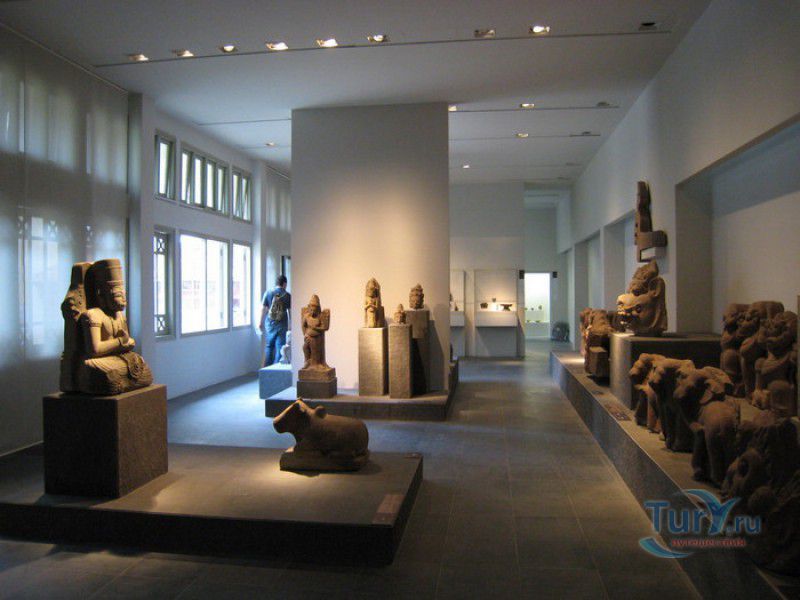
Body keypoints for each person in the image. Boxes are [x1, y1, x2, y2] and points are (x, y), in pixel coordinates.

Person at [259, 275, 291, 367]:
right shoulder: (287, 295)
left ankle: (266, 369)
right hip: (282, 324)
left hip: (270, 324)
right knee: (280, 348)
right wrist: (290, 324)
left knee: (269, 347)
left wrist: (260, 322)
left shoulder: (268, 292)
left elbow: (263, 309)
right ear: (284, 284)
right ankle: (276, 369)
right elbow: (290, 311)